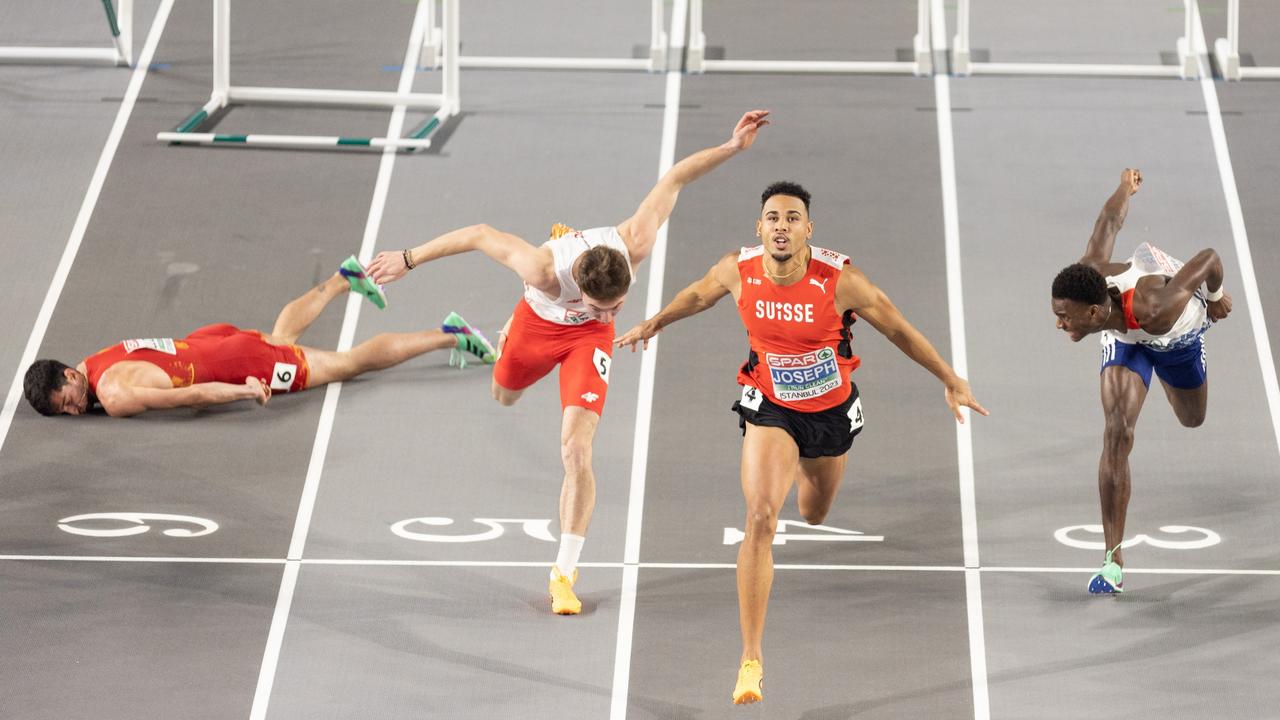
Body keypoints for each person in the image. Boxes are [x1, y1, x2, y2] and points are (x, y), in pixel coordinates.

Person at [365, 110, 772, 615]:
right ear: (579, 285)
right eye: (604, 305)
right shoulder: (540, 269)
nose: (614, 311)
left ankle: (563, 572)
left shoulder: (633, 242)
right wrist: (407, 258)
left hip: (588, 344)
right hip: (536, 328)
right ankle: (501, 339)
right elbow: (476, 233)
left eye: (619, 304)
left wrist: (732, 146)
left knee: (577, 451)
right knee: (504, 395)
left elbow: (675, 178)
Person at [615, 181, 987, 704]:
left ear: (808, 230)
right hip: (769, 404)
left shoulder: (840, 281)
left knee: (813, 513)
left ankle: (803, 471)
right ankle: (751, 657)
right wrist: (654, 322)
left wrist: (950, 377)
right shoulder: (737, 270)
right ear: (759, 227)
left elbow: (898, 328)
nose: (782, 225)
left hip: (830, 412)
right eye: (773, 217)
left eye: (793, 218)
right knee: (761, 516)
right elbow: (699, 293)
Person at [1050, 168, 1231, 594]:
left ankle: (1168, 378)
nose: (1058, 324)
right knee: (1116, 432)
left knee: (1192, 418)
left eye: (1064, 316)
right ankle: (1112, 560)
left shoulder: (1157, 308)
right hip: (1124, 338)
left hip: (1175, 338)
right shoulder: (1090, 278)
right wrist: (1123, 187)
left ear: (1092, 313)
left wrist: (1218, 295)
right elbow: (1108, 223)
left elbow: (1208, 257)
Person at [23, 256, 495, 417]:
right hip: (212, 340)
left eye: (67, 399)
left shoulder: (114, 393)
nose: (75, 409)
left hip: (235, 365)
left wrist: (243, 388)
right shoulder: (92, 361)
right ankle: (342, 278)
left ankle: (449, 335)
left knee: (350, 364)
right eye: (64, 411)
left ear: (69, 374)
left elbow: (193, 395)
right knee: (279, 337)